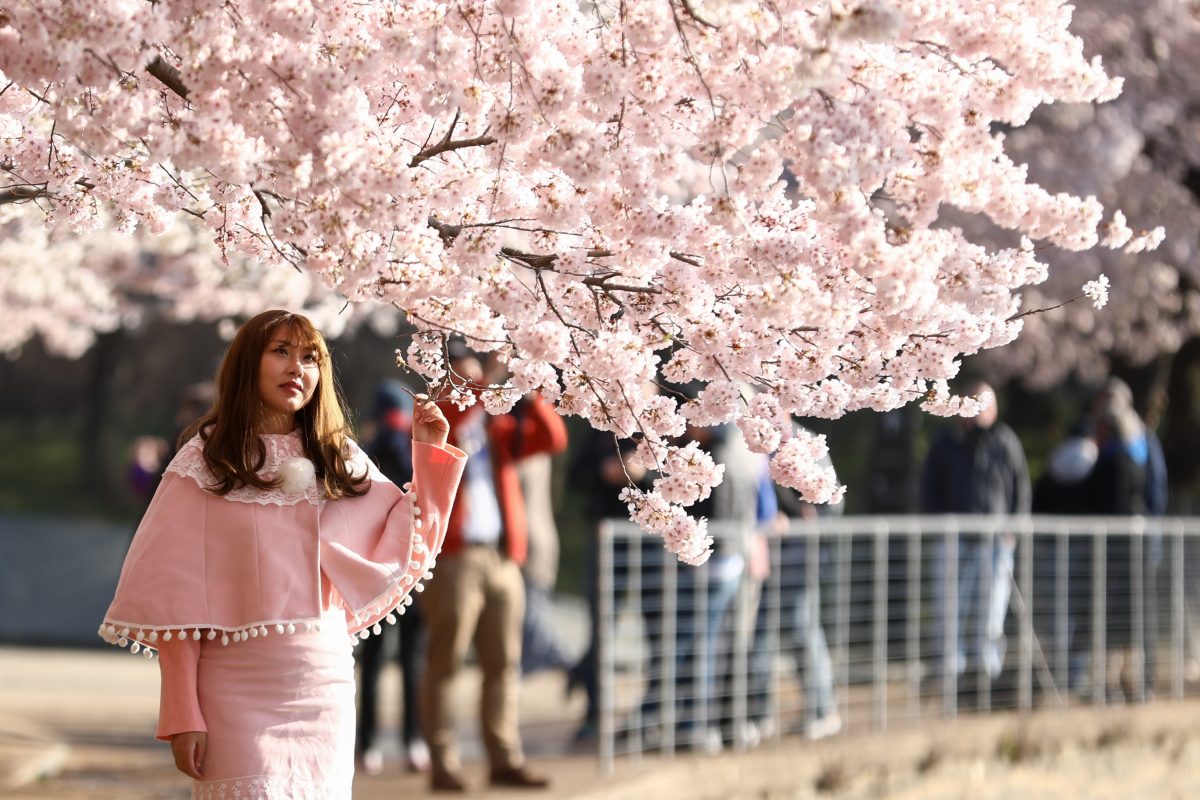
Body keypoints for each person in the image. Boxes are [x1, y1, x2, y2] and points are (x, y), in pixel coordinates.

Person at [99, 310, 466, 800]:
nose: (297, 367)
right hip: (230, 695)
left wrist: (428, 453)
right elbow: (177, 604)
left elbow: (411, 535)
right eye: (281, 352)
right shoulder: (203, 461)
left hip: (325, 691)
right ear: (247, 362)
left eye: (311, 357)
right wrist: (181, 710)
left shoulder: (340, 457)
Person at [420, 343, 568, 793]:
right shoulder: (439, 419)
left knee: (504, 663)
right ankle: (442, 761)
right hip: (454, 556)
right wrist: (488, 380)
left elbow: (552, 439)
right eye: (460, 377)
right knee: (446, 660)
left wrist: (530, 391)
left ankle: (504, 756)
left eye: (473, 376)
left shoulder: (499, 426)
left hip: (503, 556)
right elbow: (455, 415)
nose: (471, 385)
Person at [921, 379, 1031, 697]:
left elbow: (1020, 487)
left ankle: (986, 676)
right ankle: (950, 676)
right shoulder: (946, 441)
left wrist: (1014, 529)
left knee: (990, 613)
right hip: (955, 540)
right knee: (949, 611)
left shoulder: (1005, 440)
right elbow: (929, 488)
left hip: (996, 541)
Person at [354, 380, 431, 775]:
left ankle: (412, 739)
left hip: (411, 569)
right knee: (375, 659)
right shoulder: (367, 456)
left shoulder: (412, 453)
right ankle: (369, 743)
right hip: (378, 573)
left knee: (409, 660)